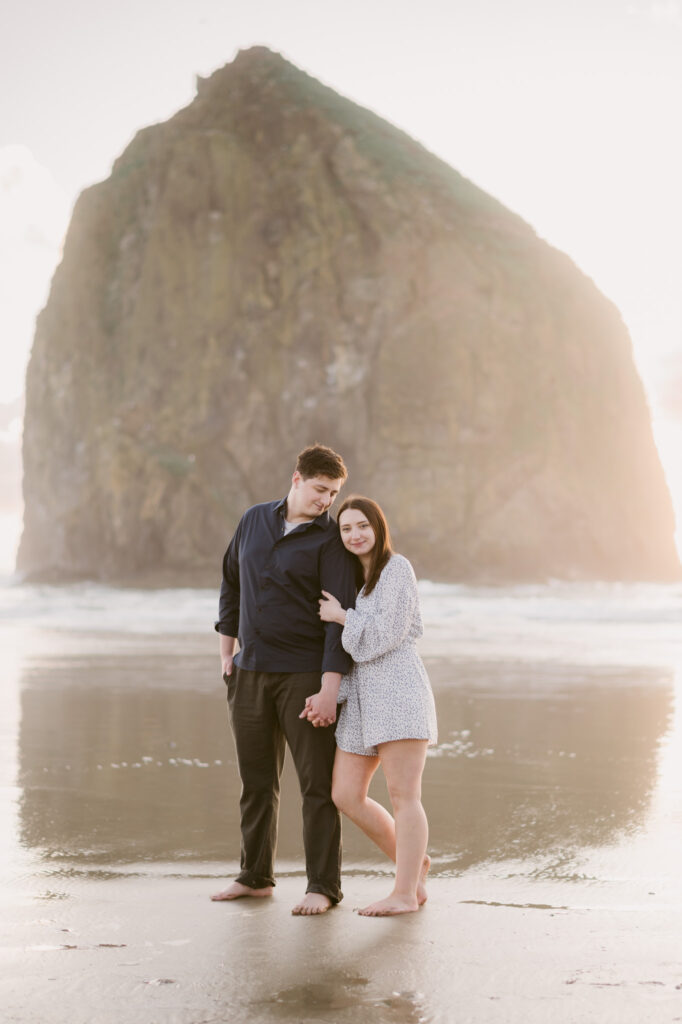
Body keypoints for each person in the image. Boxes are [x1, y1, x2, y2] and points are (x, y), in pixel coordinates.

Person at [211, 444, 357, 915]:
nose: (326, 501)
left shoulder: (331, 539)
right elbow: (230, 583)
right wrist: (226, 654)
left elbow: (339, 618)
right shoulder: (254, 519)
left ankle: (323, 887)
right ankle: (255, 877)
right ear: (297, 479)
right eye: (320, 490)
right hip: (249, 673)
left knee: (316, 786)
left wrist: (330, 687)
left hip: (305, 676)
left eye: (333, 494)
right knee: (255, 782)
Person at [304, 495, 437, 916]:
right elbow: (356, 656)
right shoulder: (350, 578)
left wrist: (343, 617)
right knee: (345, 794)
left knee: (404, 796)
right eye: (345, 528)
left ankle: (404, 893)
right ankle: (415, 862)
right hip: (362, 702)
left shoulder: (397, 569)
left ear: (378, 527)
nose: (355, 535)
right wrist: (329, 693)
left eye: (362, 525)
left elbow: (383, 638)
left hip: (398, 692)